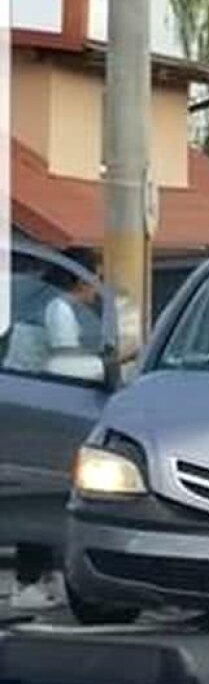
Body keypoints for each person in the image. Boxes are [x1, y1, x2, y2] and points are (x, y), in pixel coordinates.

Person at [10, 250, 101, 611]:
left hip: (29, 404)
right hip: (46, 409)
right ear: (82, 278)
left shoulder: (42, 304)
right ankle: (28, 580)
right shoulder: (59, 310)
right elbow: (67, 359)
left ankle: (41, 578)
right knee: (49, 492)